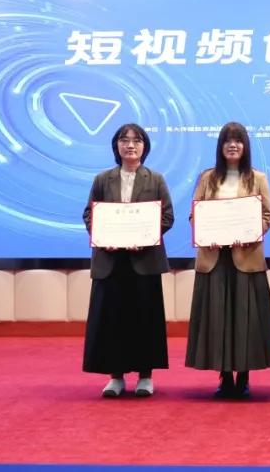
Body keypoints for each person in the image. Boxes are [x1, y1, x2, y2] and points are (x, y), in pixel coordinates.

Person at [185, 122, 270, 398]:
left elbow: (267, 216)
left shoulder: (258, 178)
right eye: (227, 140)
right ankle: (224, 376)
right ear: (221, 146)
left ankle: (244, 377)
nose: (233, 145)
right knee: (217, 319)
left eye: (238, 140)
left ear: (245, 146)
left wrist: (250, 235)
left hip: (246, 258)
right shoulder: (207, 178)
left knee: (246, 320)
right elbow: (194, 215)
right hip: (214, 259)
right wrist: (207, 235)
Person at [81, 123, 173, 398]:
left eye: (136, 140)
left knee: (145, 319)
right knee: (112, 319)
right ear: (116, 146)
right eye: (124, 140)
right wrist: (102, 236)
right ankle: (116, 377)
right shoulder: (102, 179)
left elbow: (167, 217)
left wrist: (145, 237)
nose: (130, 145)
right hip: (111, 261)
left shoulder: (155, 179)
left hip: (144, 260)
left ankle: (145, 376)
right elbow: (89, 215)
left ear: (145, 146)